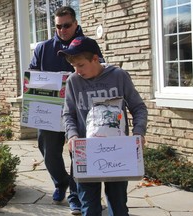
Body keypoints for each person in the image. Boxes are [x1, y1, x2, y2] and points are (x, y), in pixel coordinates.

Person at [59, 36, 148, 216]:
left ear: (95, 59)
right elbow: (68, 114)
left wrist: (139, 132)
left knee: (118, 205)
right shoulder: (73, 81)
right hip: (85, 152)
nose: (77, 70)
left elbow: (138, 107)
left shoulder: (119, 76)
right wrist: (72, 135)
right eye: (73, 66)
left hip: (118, 152)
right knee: (89, 207)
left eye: (81, 65)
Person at [29, 6, 103, 215]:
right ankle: (60, 183)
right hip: (49, 111)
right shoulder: (43, 48)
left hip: (80, 110)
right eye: (58, 26)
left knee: (77, 154)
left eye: (67, 25)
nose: (62, 30)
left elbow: (99, 69)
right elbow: (31, 76)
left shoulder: (88, 45)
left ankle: (76, 196)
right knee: (49, 151)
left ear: (75, 24)